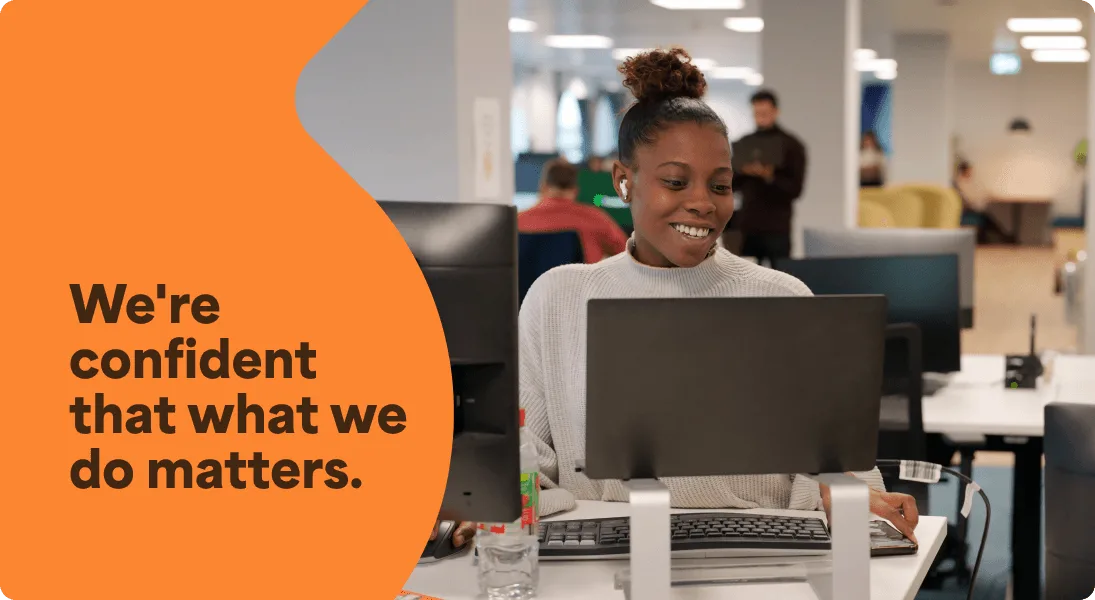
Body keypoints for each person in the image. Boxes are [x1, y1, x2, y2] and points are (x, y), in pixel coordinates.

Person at [519, 47, 919, 540]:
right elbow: (523, 465)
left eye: (721, 185)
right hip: (604, 562)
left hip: (763, 559)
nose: (702, 204)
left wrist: (844, 491)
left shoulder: (782, 300)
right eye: (675, 181)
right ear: (625, 181)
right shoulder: (557, 299)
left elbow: (839, 470)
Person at [731, 89, 807, 266]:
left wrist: (770, 176)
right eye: (757, 113)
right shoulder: (744, 144)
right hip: (748, 223)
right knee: (745, 278)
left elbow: (795, 189)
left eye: (765, 113)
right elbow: (732, 184)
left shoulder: (792, 146)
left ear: (775, 112)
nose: (761, 117)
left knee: (780, 275)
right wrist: (744, 171)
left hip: (777, 225)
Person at [518, 157, 629, 263]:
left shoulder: (517, 222)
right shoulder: (595, 218)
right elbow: (626, 254)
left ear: (542, 187)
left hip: (530, 283)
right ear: (575, 191)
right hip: (580, 282)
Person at [954, 161, 1009, 244]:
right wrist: (982, 199)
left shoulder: (964, 183)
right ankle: (1004, 237)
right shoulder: (959, 184)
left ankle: (1004, 237)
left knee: (986, 217)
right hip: (963, 214)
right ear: (964, 171)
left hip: (968, 211)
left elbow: (974, 196)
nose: (971, 174)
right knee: (985, 218)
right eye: (969, 171)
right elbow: (969, 201)